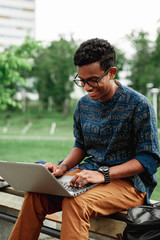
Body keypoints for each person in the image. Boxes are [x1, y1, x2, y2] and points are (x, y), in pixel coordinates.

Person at [9, 38, 160, 240]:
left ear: (112, 72)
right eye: (82, 80)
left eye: (93, 80)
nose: (87, 87)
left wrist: (104, 174)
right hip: (88, 175)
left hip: (130, 184)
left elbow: (149, 159)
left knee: (76, 202)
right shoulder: (84, 105)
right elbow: (81, 145)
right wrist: (63, 167)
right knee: (35, 195)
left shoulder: (139, 105)